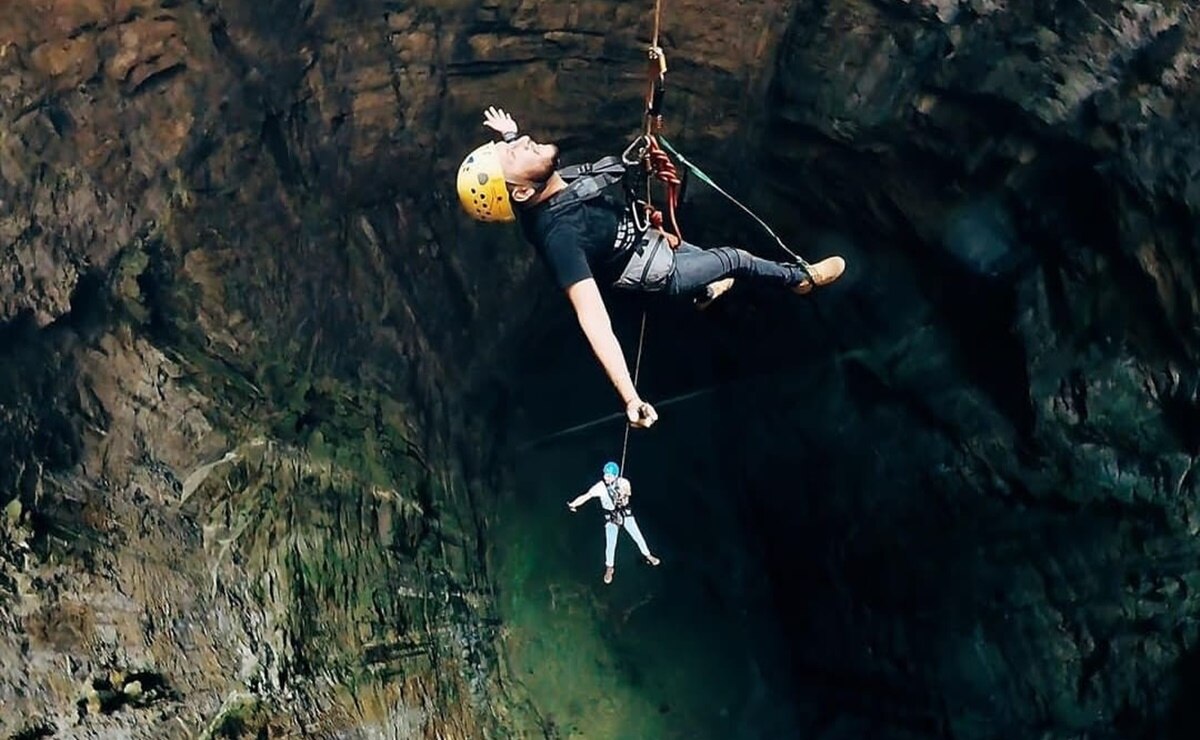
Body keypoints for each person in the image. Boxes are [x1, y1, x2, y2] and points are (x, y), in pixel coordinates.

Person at [457, 106, 846, 428]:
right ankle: (801, 279)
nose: (524, 142)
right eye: (513, 152)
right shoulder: (559, 238)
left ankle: (707, 290)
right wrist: (631, 397)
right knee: (734, 259)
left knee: (708, 268)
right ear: (522, 192)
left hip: (650, 241)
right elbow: (593, 320)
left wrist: (509, 136)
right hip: (661, 272)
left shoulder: (532, 190)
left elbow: (518, 163)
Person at [568, 461, 661, 585]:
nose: (606, 478)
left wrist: (622, 493)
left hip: (625, 514)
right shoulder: (600, 487)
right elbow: (586, 496)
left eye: (609, 475)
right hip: (611, 517)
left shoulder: (623, 482)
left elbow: (628, 492)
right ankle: (609, 568)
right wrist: (574, 504)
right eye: (605, 475)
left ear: (616, 475)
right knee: (611, 544)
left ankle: (648, 555)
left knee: (638, 536)